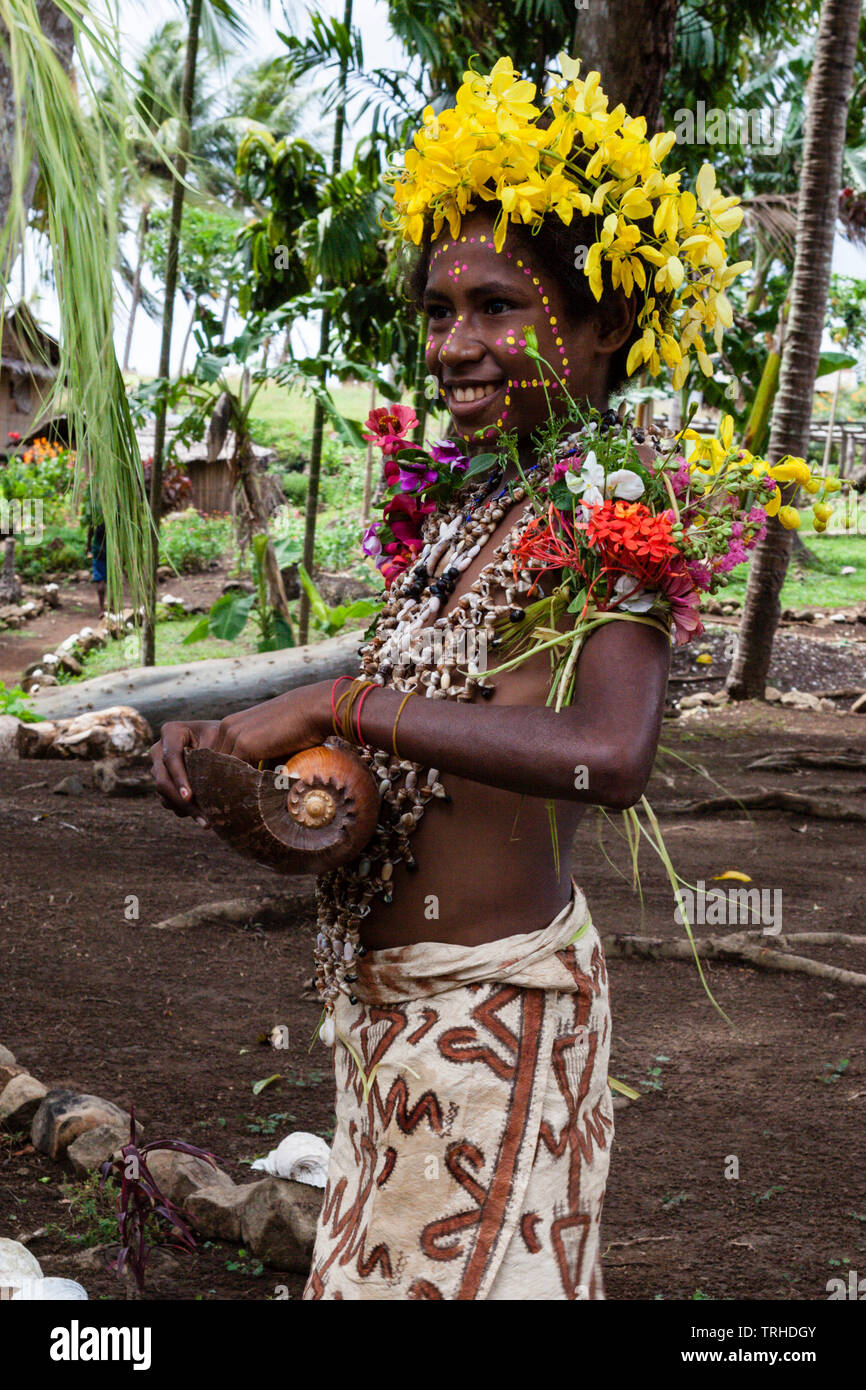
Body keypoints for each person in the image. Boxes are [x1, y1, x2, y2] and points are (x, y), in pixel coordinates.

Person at [151, 56, 745, 1299]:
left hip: (498, 1034)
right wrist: (258, 776)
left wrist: (332, 704)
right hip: (385, 1036)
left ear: (603, 327)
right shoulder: (463, 515)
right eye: (437, 310)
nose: (455, 343)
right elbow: (422, 754)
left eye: (498, 306)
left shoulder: (612, 508)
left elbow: (610, 752)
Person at [81, 492, 107, 616]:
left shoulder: (96, 514)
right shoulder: (115, 514)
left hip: (97, 551)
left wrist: (88, 546)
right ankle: (112, 606)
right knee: (112, 580)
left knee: (100, 580)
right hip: (111, 552)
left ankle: (102, 608)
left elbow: (90, 531)